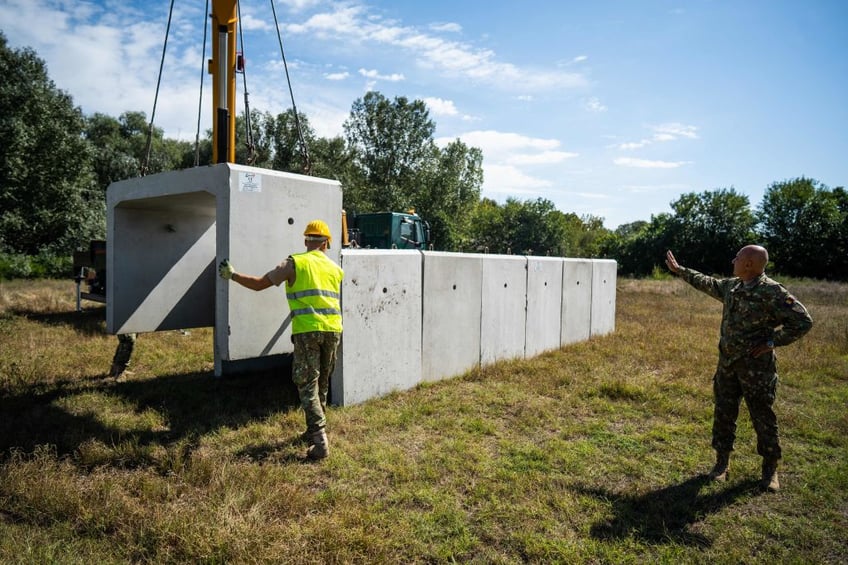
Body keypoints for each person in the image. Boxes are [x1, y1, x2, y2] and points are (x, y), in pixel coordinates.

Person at [665, 246, 812, 491]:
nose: (733, 260)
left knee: (763, 417)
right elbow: (707, 282)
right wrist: (680, 270)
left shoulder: (772, 292)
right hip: (727, 365)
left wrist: (772, 342)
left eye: (738, 257)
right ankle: (721, 465)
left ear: (749, 264)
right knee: (724, 414)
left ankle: (770, 470)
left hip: (756, 370)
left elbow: (803, 321)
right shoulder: (733, 286)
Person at [218, 219, 343, 461]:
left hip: (308, 331)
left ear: (306, 240)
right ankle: (316, 428)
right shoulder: (335, 269)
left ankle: (319, 440)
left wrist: (232, 275)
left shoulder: (294, 263)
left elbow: (259, 284)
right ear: (327, 243)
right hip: (334, 330)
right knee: (322, 382)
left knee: (307, 383)